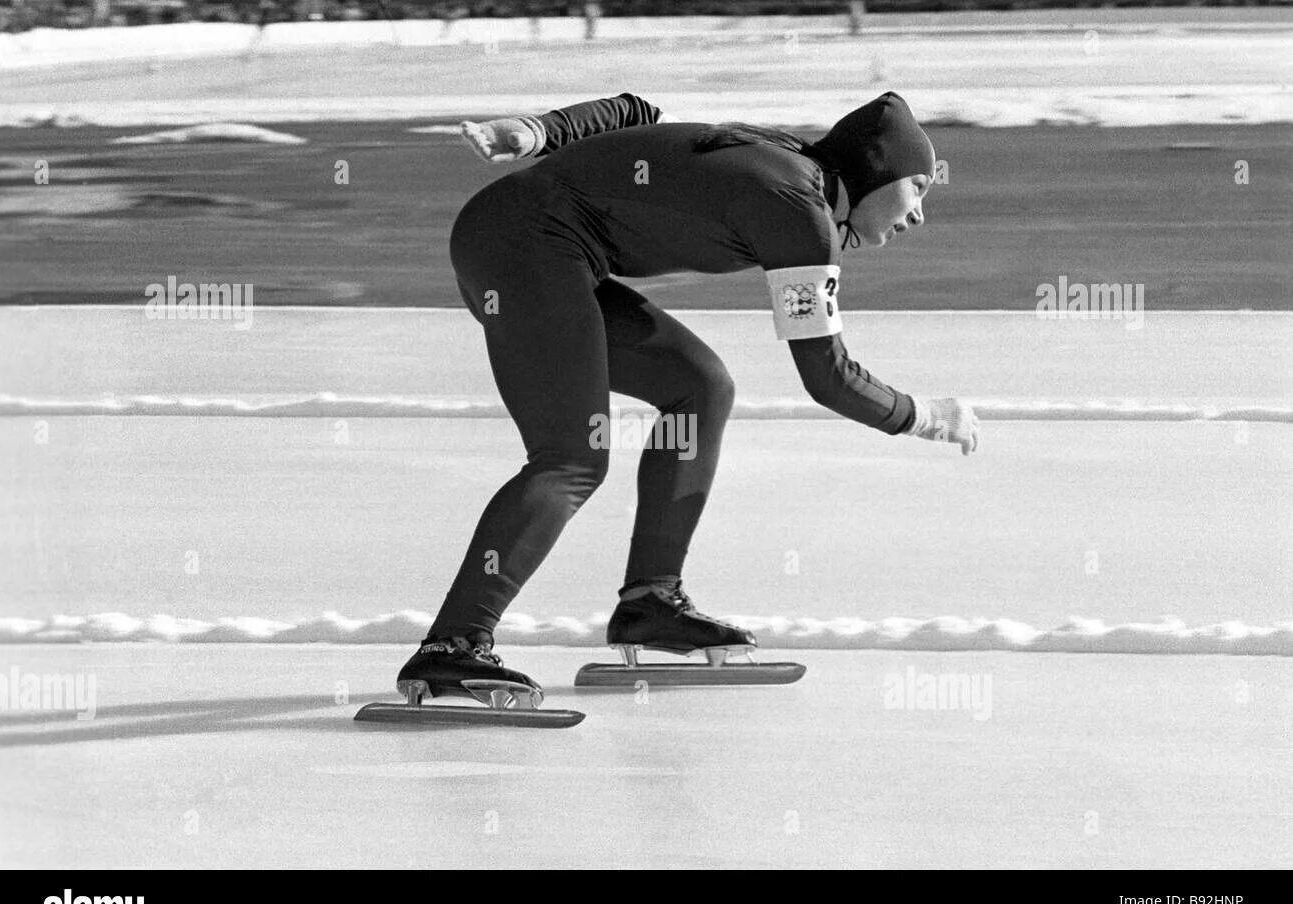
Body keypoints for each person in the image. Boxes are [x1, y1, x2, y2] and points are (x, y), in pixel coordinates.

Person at [396, 91, 980, 708]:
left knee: (698, 387)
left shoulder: (778, 163)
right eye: (918, 189)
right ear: (877, 171)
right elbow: (827, 377)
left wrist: (538, 131)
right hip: (523, 244)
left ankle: (651, 602)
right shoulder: (797, 210)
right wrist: (925, 416)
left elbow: (640, 113)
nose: (918, 214)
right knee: (571, 458)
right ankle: (453, 644)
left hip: (540, 247)